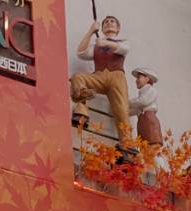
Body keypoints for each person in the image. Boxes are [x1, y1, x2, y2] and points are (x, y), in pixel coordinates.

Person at [70, 16, 131, 150]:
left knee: (121, 109)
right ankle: (82, 111)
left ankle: (127, 145)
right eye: (106, 22)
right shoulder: (97, 46)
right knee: (78, 78)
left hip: (117, 77)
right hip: (99, 76)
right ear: (102, 28)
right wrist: (91, 32)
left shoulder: (122, 42)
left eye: (112, 21)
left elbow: (123, 49)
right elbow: (81, 53)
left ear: (118, 28)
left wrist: (106, 43)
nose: (109, 23)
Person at [129, 68, 163, 147]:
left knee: (152, 145)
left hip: (149, 121)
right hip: (142, 121)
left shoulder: (151, 90)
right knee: (144, 147)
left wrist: (127, 102)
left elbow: (143, 101)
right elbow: (136, 109)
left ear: (147, 78)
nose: (136, 80)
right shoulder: (142, 93)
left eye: (139, 77)